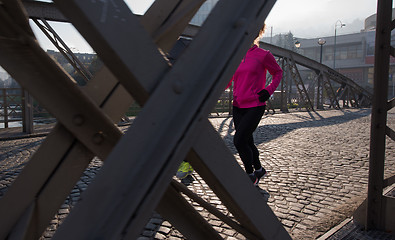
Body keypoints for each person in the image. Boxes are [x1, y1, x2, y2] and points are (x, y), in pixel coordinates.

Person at [227, 24, 283, 186]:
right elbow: (228, 81)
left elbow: (278, 73)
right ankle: (259, 169)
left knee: (238, 140)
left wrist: (269, 90)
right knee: (247, 141)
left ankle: (250, 175)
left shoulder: (263, 55)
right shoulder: (235, 56)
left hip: (255, 104)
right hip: (238, 105)